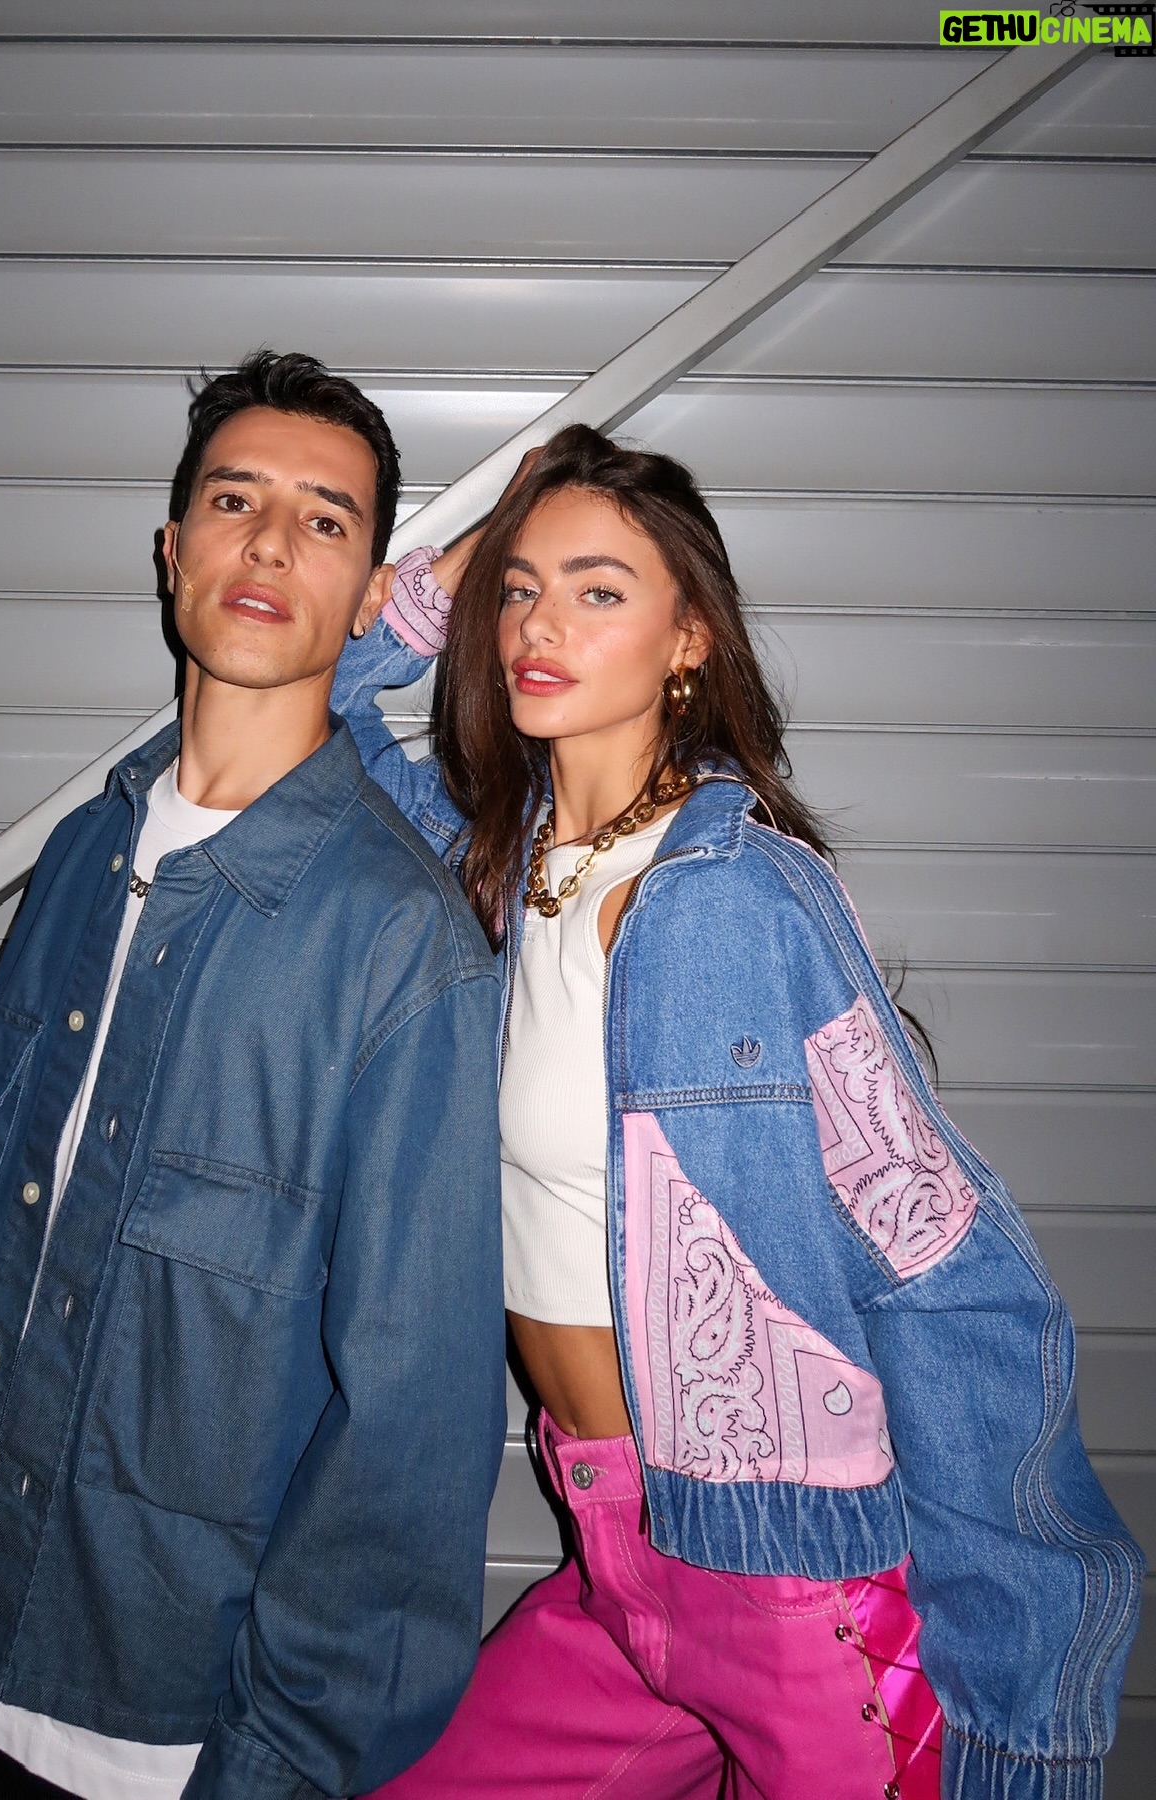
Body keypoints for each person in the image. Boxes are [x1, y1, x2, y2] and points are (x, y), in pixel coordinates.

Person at [332, 423, 1145, 1800]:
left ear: (689, 639)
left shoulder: (733, 898)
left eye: (599, 590)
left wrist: (1028, 1675)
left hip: (792, 1588)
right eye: (521, 591)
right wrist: (454, 569)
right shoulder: (501, 869)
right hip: (618, 1551)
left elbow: (938, 1261)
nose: (539, 625)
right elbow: (322, 723)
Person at [0, 352, 507, 1800]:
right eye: (234, 501)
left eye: (324, 520)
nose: (270, 543)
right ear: (173, 552)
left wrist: (281, 1766)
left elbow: (412, 1441)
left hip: (116, 1733)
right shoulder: (77, 855)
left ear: (374, 597)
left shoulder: (403, 949)